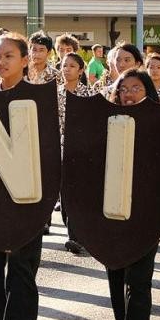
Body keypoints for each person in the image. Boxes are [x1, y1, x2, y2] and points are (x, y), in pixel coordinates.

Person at [0, 32, 44, 320]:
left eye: (9, 55)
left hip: (28, 200)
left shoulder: (38, 99)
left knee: (21, 270)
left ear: (25, 60)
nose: (2, 61)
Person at [104, 68, 160, 320]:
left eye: (136, 88)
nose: (128, 94)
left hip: (146, 216)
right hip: (111, 215)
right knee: (116, 284)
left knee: (137, 284)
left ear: (148, 91)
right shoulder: (108, 123)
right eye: (123, 89)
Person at [56, 52, 98, 255]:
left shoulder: (88, 95)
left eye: (72, 66)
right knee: (64, 194)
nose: (67, 69)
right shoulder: (53, 93)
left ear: (81, 70)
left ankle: (76, 236)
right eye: (64, 65)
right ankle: (72, 228)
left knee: (77, 194)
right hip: (58, 149)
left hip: (81, 150)